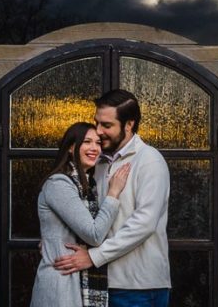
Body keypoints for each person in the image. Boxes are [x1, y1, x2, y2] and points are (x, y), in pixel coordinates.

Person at [53, 89, 170, 307]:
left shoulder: (150, 161)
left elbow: (144, 224)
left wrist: (93, 256)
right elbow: (84, 215)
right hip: (97, 284)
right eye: (96, 123)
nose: (98, 131)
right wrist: (55, 241)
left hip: (138, 287)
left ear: (129, 125)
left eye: (106, 126)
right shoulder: (96, 162)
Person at [30, 122, 133, 307]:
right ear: (71, 147)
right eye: (87, 142)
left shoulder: (88, 187)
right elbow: (94, 234)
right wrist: (113, 193)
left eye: (98, 143)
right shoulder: (59, 184)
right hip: (60, 287)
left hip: (75, 282)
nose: (94, 148)